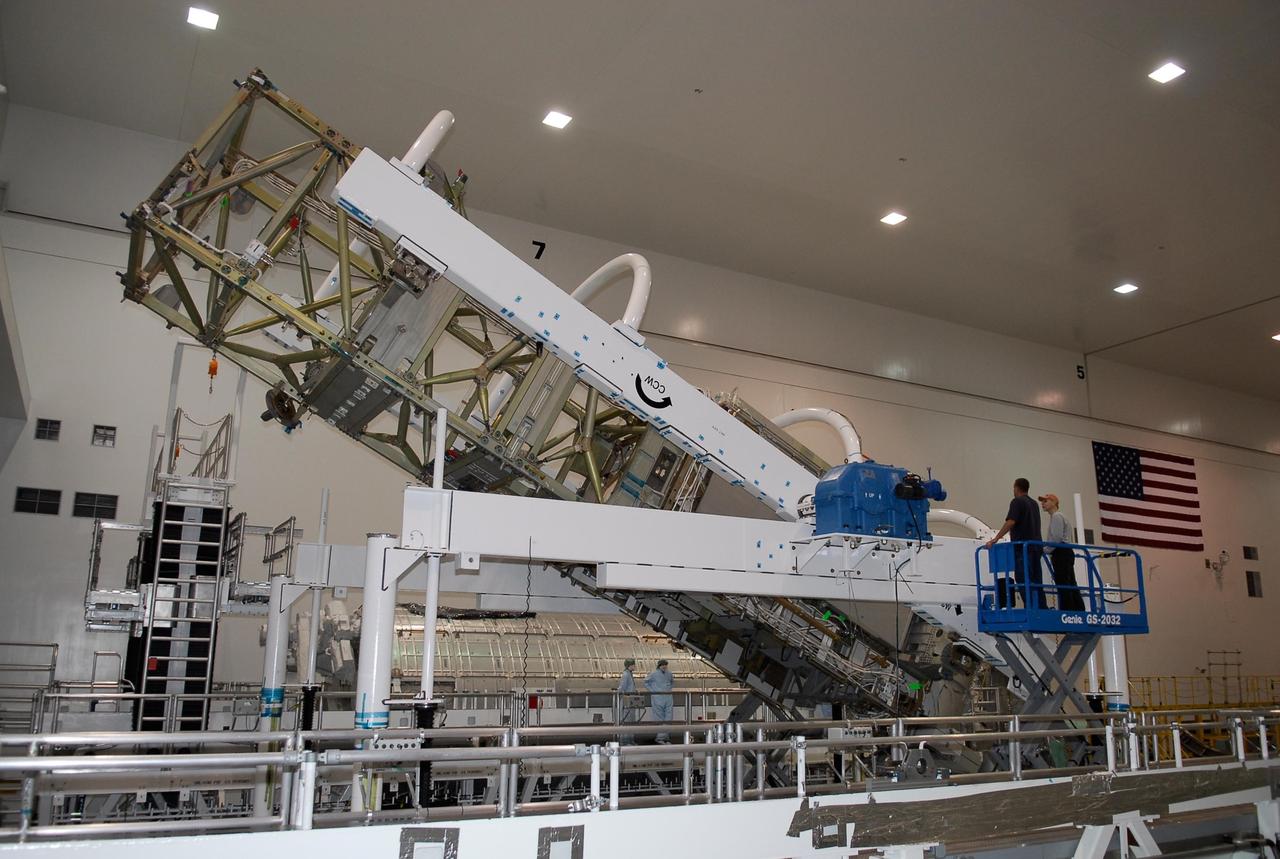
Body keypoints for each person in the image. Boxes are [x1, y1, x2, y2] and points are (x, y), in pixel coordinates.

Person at [985, 477, 1046, 609]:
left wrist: (996, 538)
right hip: (1036, 547)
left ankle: (1030, 608)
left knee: (1023, 579)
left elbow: (1011, 521)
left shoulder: (1017, 502)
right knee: (1036, 581)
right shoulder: (1034, 504)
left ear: (1016, 488)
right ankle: (1041, 607)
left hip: (1022, 548)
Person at [1039, 494, 1085, 611]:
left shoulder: (1056, 517)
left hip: (1061, 552)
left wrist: (1044, 550)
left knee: (1063, 584)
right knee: (1070, 583)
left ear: (1054, 502)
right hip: (1065, 551)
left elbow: (1056, 538)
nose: (1043, 503)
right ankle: (1078, 611)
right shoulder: (1060, 517)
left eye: (1045, 501)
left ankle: (1068, 612)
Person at [644, 659, 675, 743]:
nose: (664, 666)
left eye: (665, 665)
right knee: (659, 718)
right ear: (659, 666)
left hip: (668, 697)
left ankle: (666, 737)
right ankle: (660, 738)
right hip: (657, 698)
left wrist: (669, 688)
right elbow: (646, 682)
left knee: (668, 718)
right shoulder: (654, 674)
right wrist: (653, 691)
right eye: (663, 665)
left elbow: (672, 682)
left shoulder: (669, 673)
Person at [617, 658, 641, 741]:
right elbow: (622, 687)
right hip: (627, 699)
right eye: (633, 665)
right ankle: (625, 740)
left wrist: (635, 690)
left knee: (631, 720)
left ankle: (630, 740)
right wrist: (618, 692)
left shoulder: (629, 674)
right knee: (627, 720)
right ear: (629, 666)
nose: (634, 666)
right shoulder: (626, 674)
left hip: (631, 698)